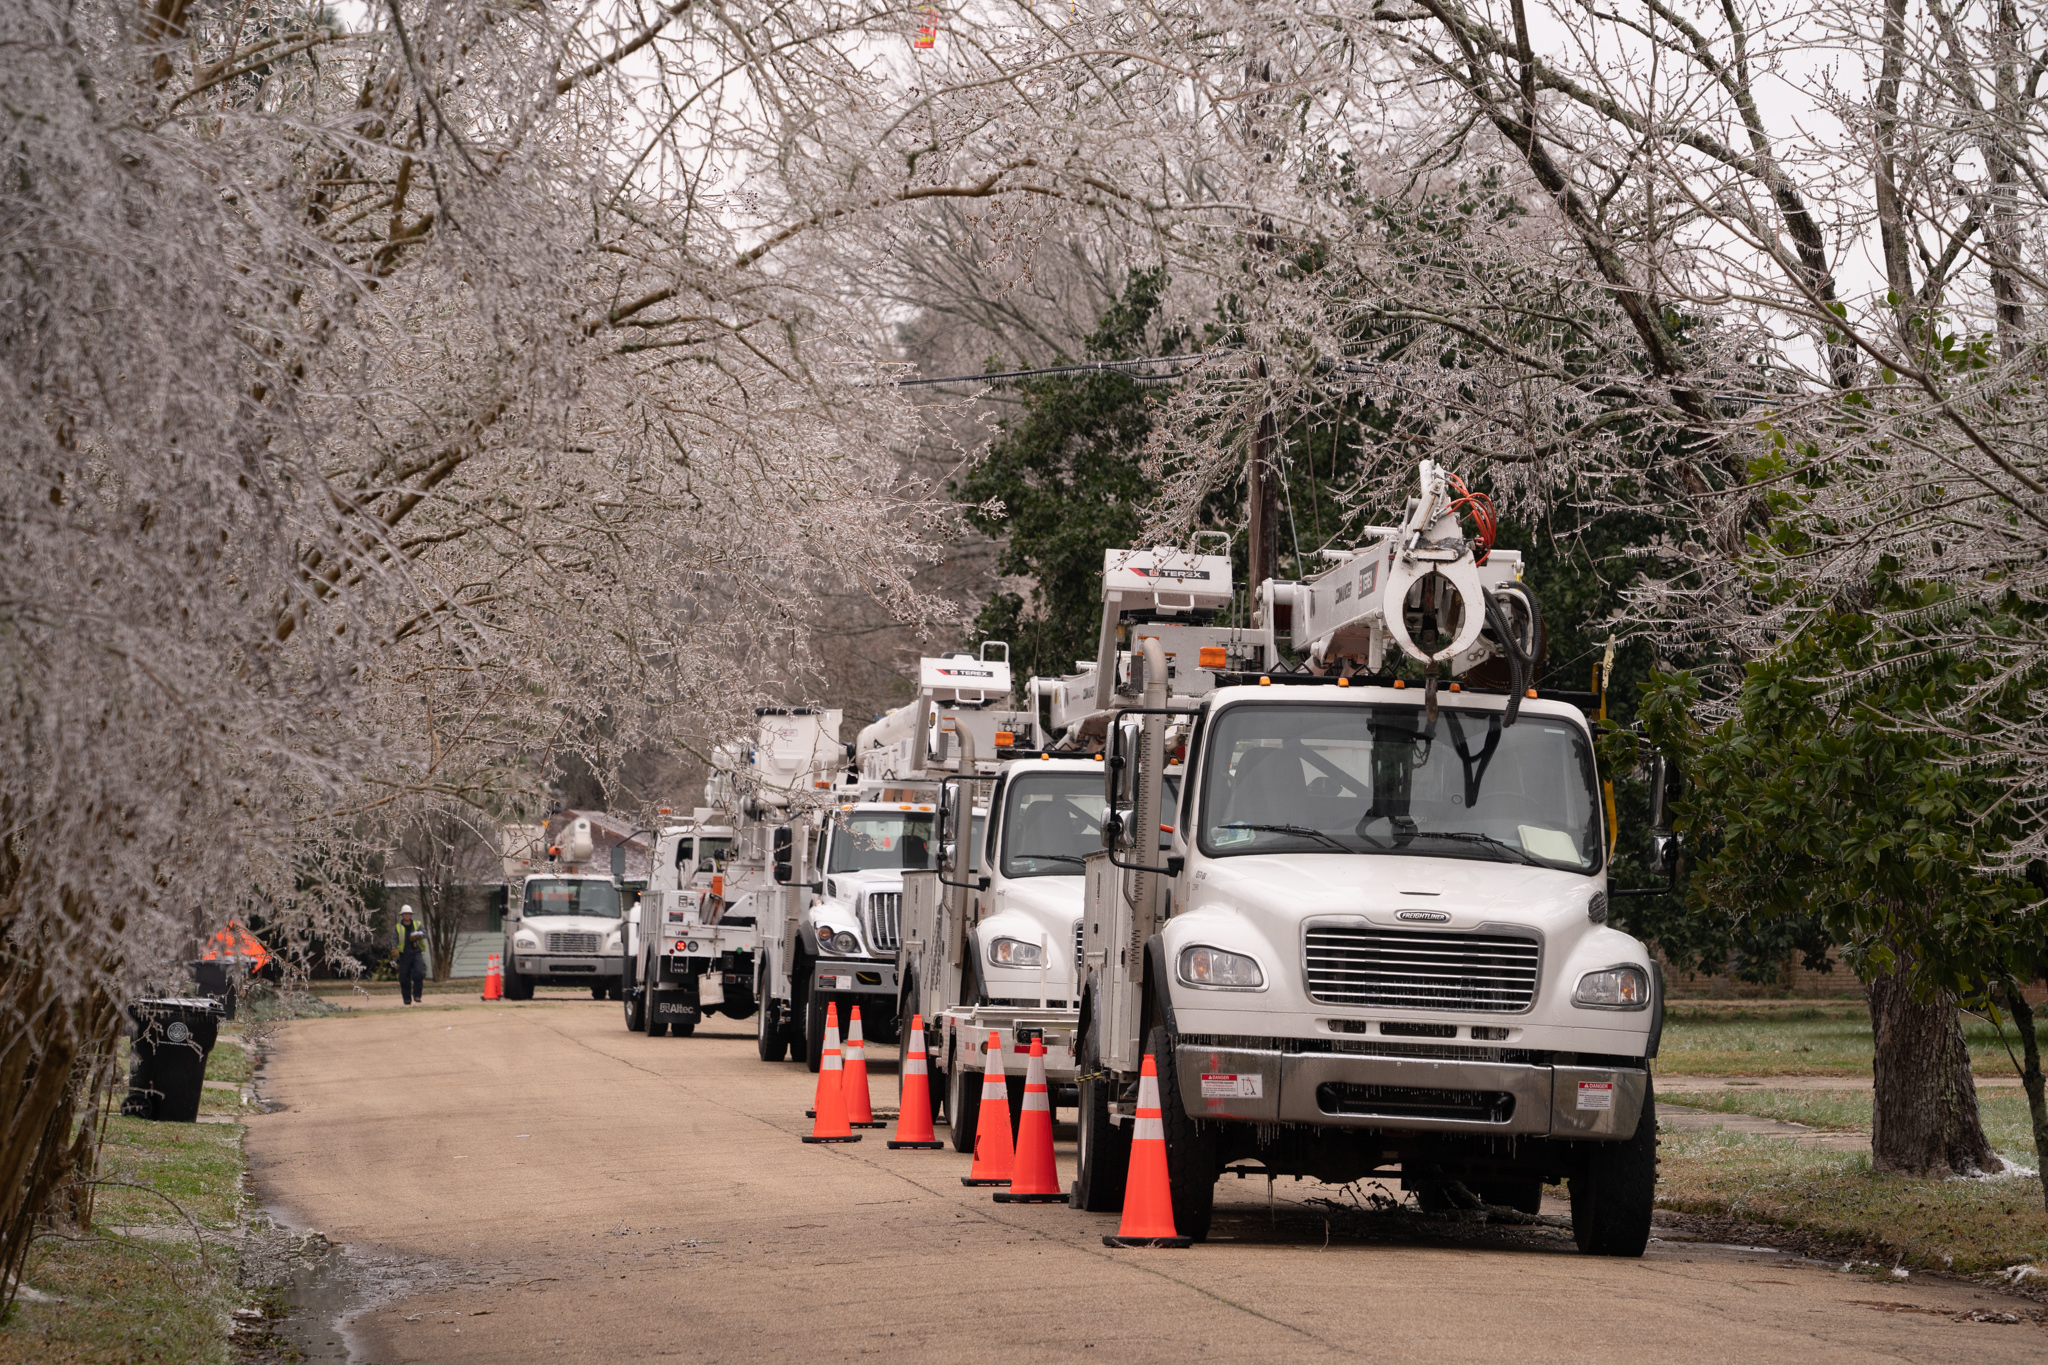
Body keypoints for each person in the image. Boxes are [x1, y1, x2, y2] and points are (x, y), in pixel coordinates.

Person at [396, 905, 427, 1006]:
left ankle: (417, 995)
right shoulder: (398, 927)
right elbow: (393, 939)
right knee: (404, 977)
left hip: (416, 952)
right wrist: (393, 949)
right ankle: (407, 998)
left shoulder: (417, 924)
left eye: (408, 914)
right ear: (402, 915)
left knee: (419, 973)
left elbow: (425, 934)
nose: (407, 915)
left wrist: (418, 936)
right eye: (405, 914)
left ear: (411, 915)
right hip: (404, 954)